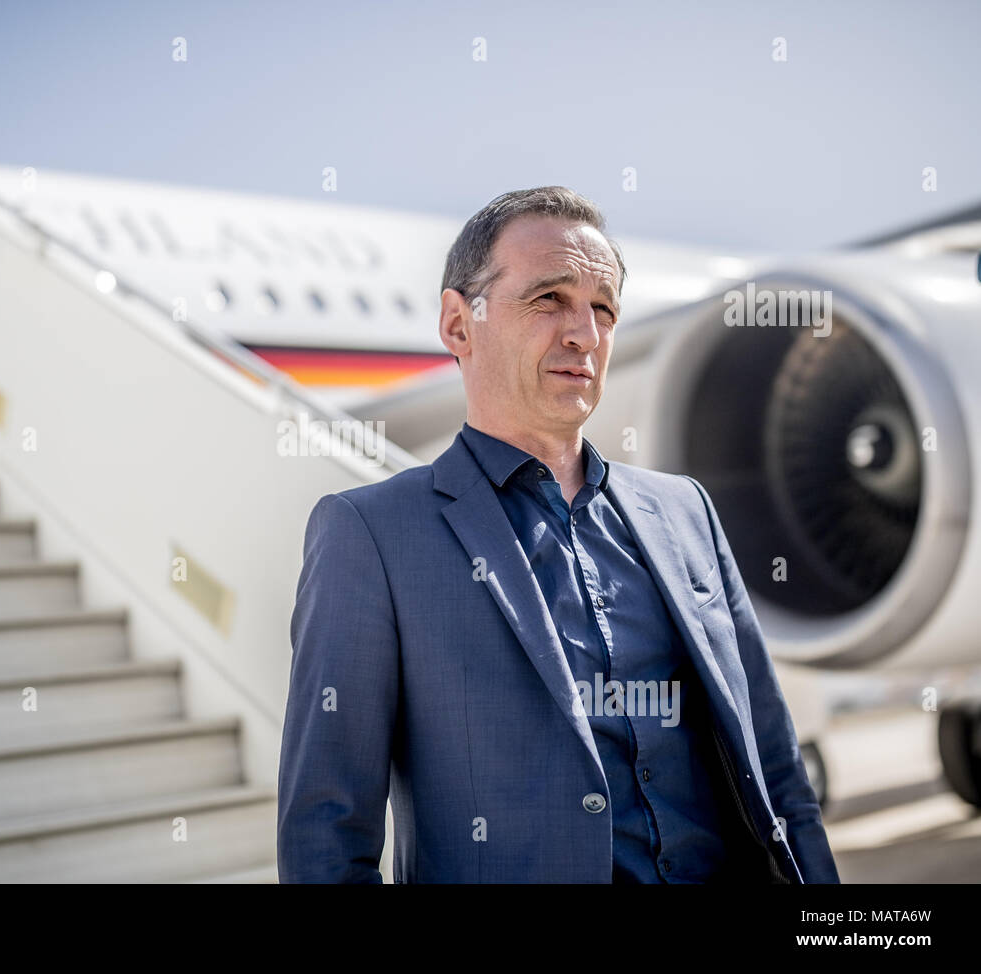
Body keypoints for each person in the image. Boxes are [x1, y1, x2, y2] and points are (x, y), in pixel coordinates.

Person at [276, 186, 839, 884]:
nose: (586, 334)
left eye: (603, 308)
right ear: (459, 324)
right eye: (550, 299)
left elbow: (776, 770)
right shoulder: (369, 535)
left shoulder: (685, 511)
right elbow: (326, 837)